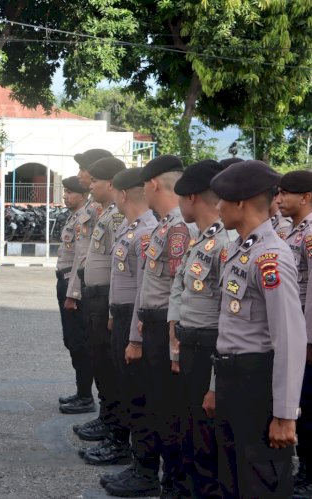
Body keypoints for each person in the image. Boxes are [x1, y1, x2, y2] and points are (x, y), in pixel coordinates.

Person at [208, 160, 305, 498]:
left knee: (260, 479)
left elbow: (290, 339)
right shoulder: (239, 249)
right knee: (232, 476)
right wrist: (214, 387)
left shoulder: (271, 258)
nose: (216, 207)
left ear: (241, 203)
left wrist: (284, 414)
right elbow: (228, 329)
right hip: (233, 380)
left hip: (257, 384)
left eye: (221, 199)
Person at [107, 155, 190, 498]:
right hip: (151, 325)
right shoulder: (163, 226)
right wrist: (136, 335)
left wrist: (170, 347)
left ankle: (170, 481)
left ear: (154, 184)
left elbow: (179, 291)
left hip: (166, 330)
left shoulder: (180, 228)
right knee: (154, 405)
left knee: (167, 410)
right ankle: (154, 475)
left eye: (144, 184)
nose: (142, 191)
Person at [166, 160, 228, 497]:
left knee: (207, 440)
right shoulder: (200, 240)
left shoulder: (224, 244)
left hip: (210, 352)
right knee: (190, 431)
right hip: (190, 348)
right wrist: (176, 348)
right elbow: (181, 290)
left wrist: (216, 382)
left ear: (191, 198)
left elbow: (230, 320)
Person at [97, 168, 158, 485]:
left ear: (122, 194)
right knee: (125, 389)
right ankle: (135, 460)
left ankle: (144, 468)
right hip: (121, 317)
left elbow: (144, 290)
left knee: (137, 395)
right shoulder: (131, 228)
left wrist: (134, 335)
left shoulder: (147, 231)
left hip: (135, 320)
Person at [74, 157, 128, 465]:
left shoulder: (119, 217)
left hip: (108, 298)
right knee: (100, 363)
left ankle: (116, 431)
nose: (89, 184)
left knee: (111, 369)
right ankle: (108, 420)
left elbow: (121, 269)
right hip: (95, 296)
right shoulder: (107, 213)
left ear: (111, 184)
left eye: (95, 181)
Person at [62, 148, 112, 420]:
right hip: (78, 284)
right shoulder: (93, 208)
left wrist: (74, 292)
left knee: (89, 347)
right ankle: (86, 397)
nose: (80, 175)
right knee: (77, 342)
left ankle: (88, 399)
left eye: (84, 169)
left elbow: (88, 256)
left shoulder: (99, 210)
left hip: (87, 289)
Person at [276, 170, 312, 497]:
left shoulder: (310, 233)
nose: (279, 199)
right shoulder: (294, 232)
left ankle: (308, 477)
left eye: (287, 193)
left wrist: (310, 340)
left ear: (306, 197)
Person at [55, 177, 94, 411]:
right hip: (64, 282)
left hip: (73, 284)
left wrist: (73, 293)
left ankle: (86, 397)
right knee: (71, 340)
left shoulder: (86, 218)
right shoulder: (74, 217)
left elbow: (82, 258)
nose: (65, 195)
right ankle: (81, 392)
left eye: (70, 192)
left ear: (82, 195)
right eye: (65, 191)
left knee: (79, 342)